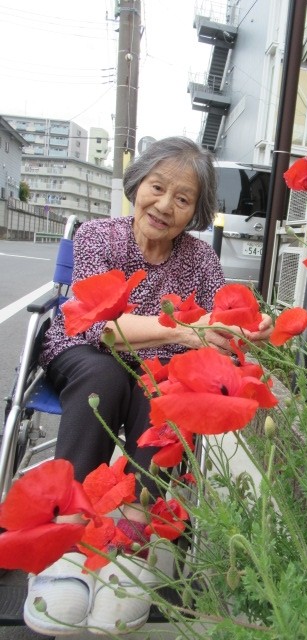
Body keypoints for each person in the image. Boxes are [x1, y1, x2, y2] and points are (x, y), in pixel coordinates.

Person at [24, 136, 272, 637]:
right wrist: (184, 330)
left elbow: (217, 319)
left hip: (156, 365)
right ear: (137, 185)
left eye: (183, 199)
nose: (164, 205)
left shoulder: (200, 259)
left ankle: (132, 536)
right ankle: (67, 534)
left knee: (162, 392)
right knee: (106, 375)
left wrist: (246, 327)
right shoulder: (98, 236)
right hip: (86, 353)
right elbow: (100, 328)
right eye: (157, 188)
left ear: (195, 212)